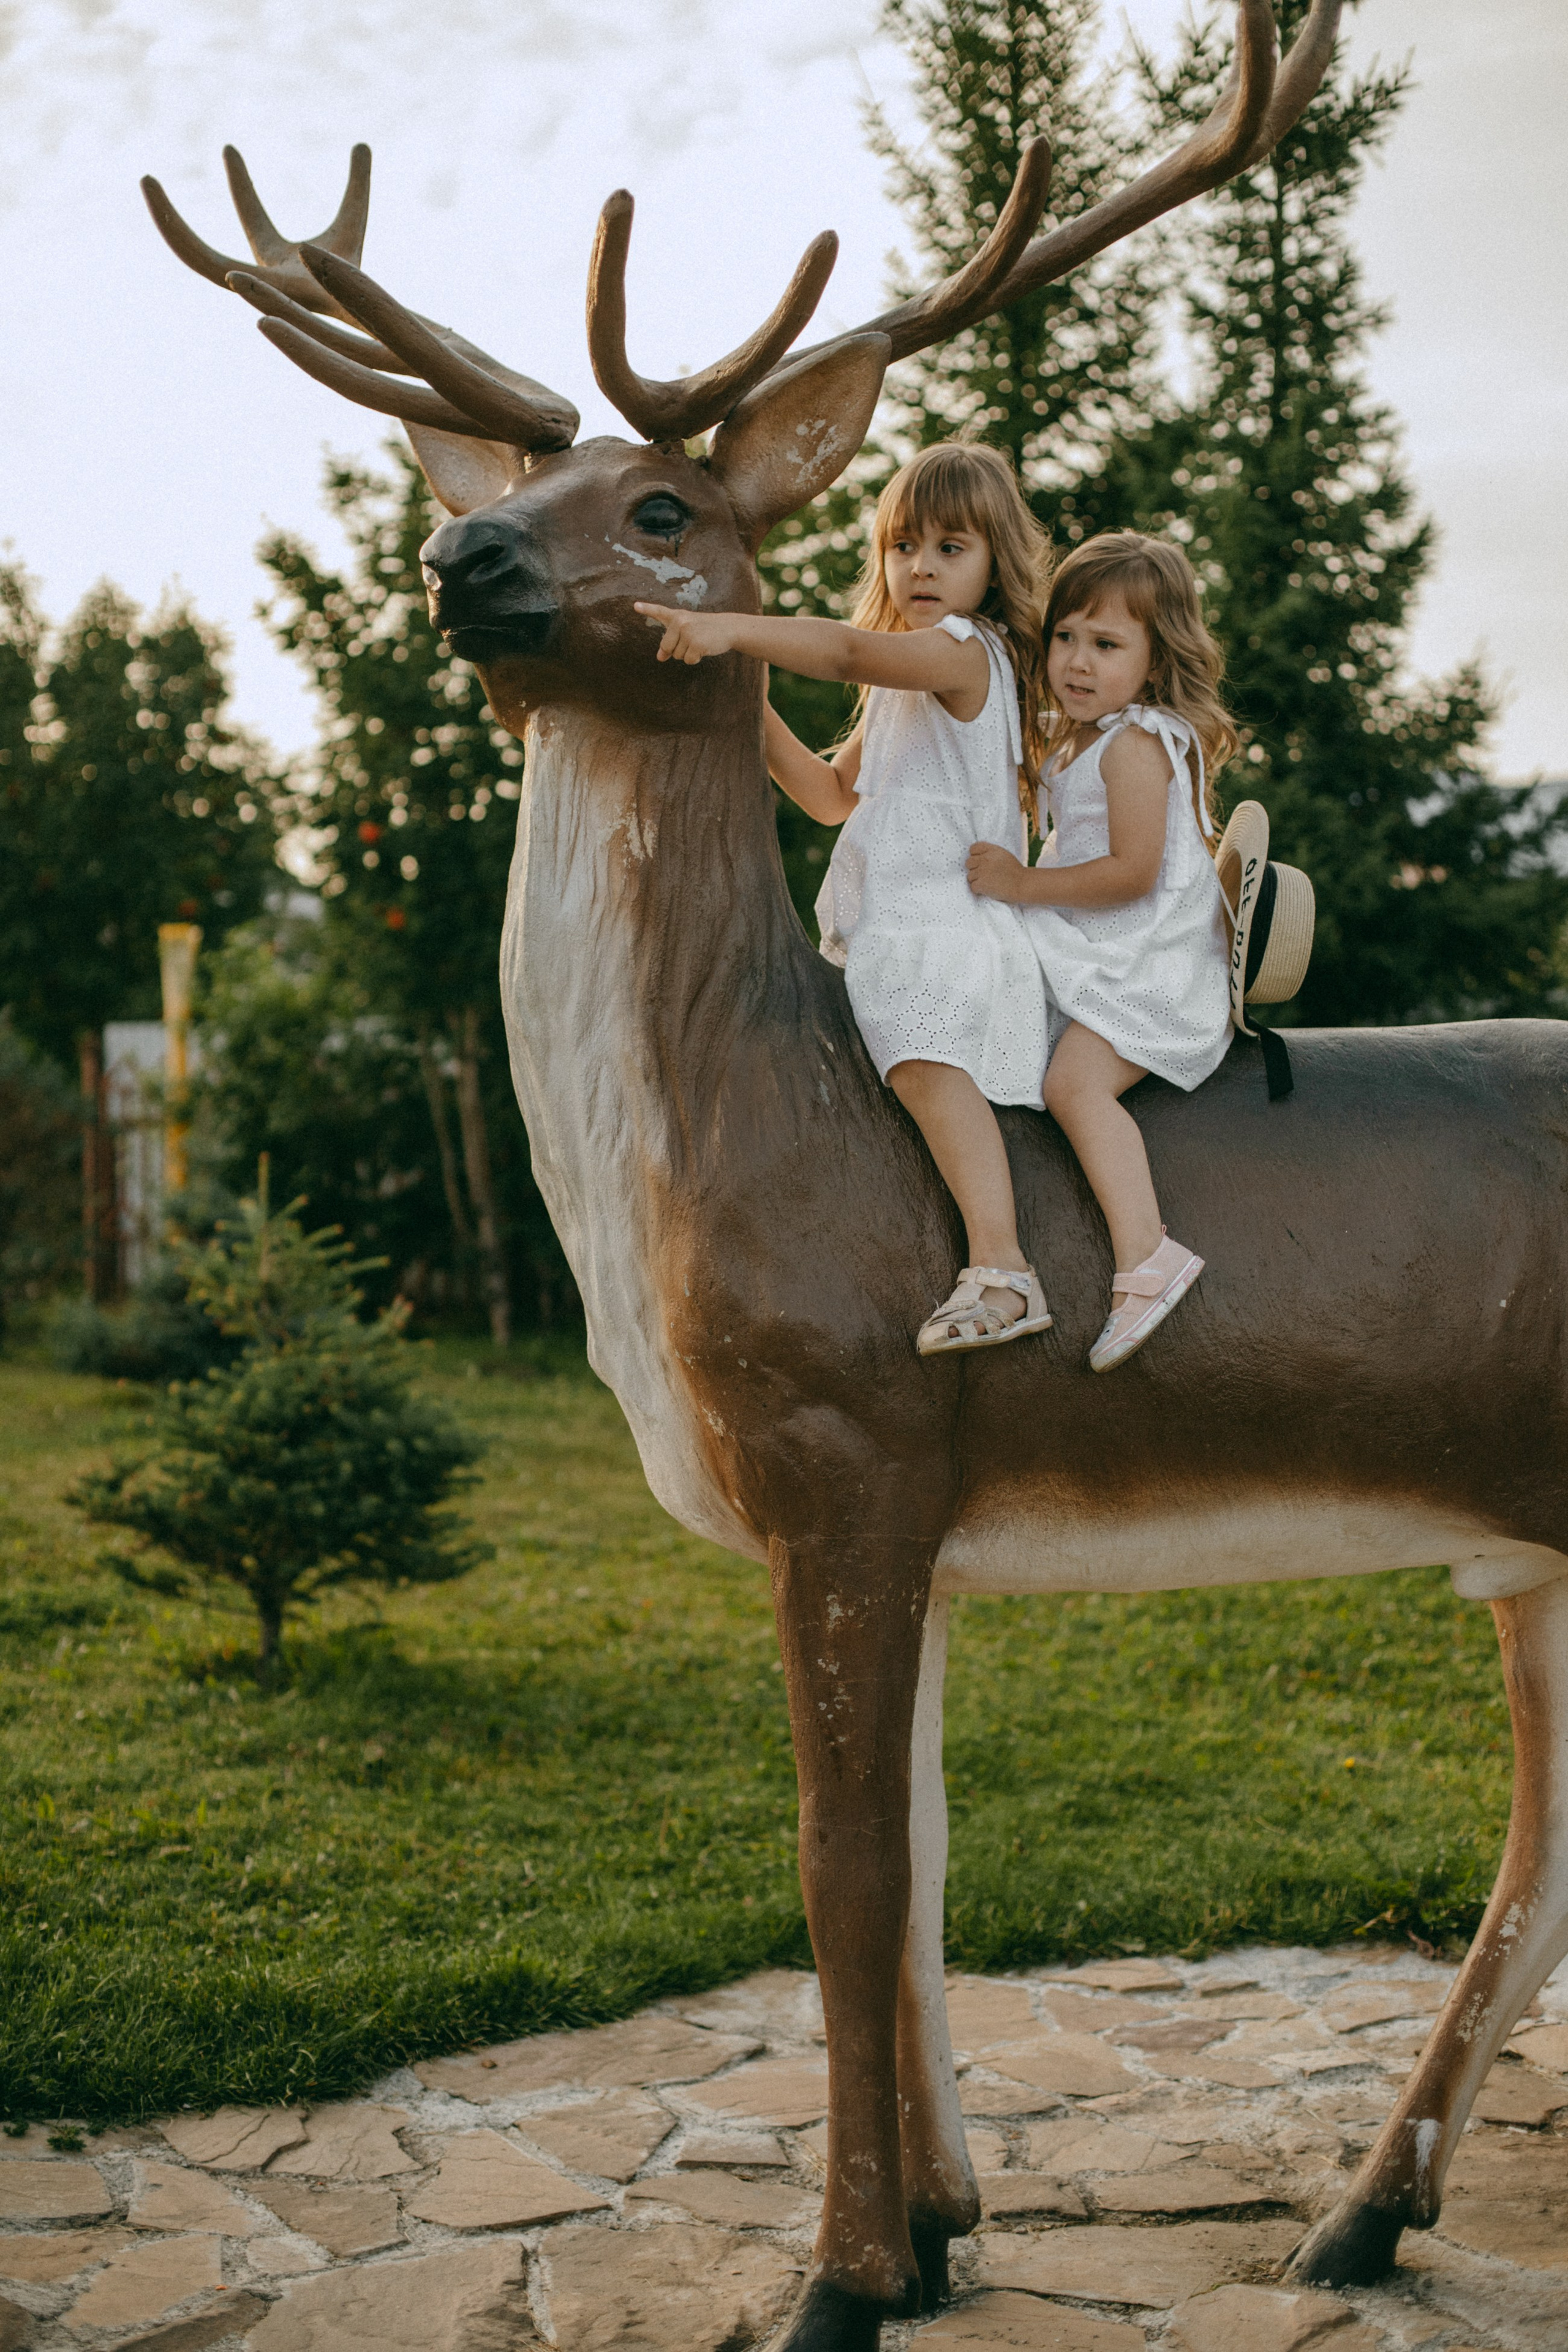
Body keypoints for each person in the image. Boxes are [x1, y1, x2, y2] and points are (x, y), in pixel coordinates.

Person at [635, 440, 1057, 1357]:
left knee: (925, 1067)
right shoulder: (904, 688)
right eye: (904, 546)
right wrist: (740, 696)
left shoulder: (962, 652)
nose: (923, 567)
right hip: (898, 928)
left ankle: (1005, 1270)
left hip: (946, 929)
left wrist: (731, 629)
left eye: (952, 547)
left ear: (995, 563)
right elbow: (831, 796)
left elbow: (841, 648)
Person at [966, 531, 1237, 1371]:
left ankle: (1147, 1255)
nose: (1078, 662)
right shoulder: (1078, 736)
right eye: (1066, 637)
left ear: (1155, 664)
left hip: (1147, 957)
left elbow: (1130, 874)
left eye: (1108, 645)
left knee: (1074, 1083)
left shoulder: (1136, 745)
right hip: (1096, 941)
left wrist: (1019, 885)